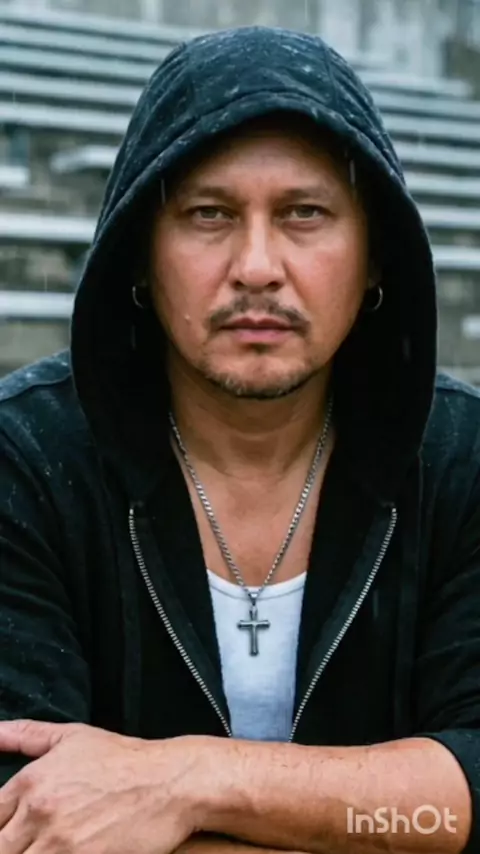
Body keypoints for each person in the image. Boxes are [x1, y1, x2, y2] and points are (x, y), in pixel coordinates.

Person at [0, 22, 478, 854]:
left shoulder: (461, 459)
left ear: (374, 256)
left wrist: (185, 781)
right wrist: (388, 818)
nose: (257, 266)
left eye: (305, 214)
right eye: (209, 214)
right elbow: (26, 816)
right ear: (141, 253)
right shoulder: (25, 459)